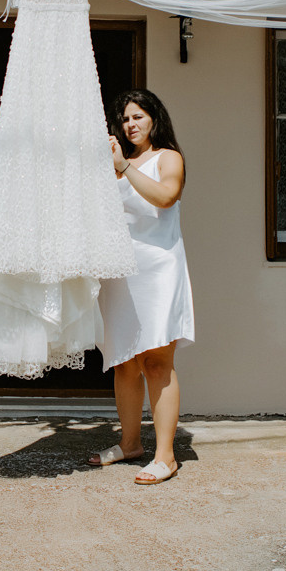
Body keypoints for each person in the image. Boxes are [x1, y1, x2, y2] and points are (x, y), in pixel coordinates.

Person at [87, 89, 195, 484]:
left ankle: (166, 456)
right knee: (125, 363)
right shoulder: (117, 163)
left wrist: (125, 170)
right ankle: (130, 443)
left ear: (153, 119)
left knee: (156, 362)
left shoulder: (168, 157)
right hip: (120, 272)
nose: (131, 124)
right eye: (125, 119)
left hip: (158, 270)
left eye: (138, 116)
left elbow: (166, 197)